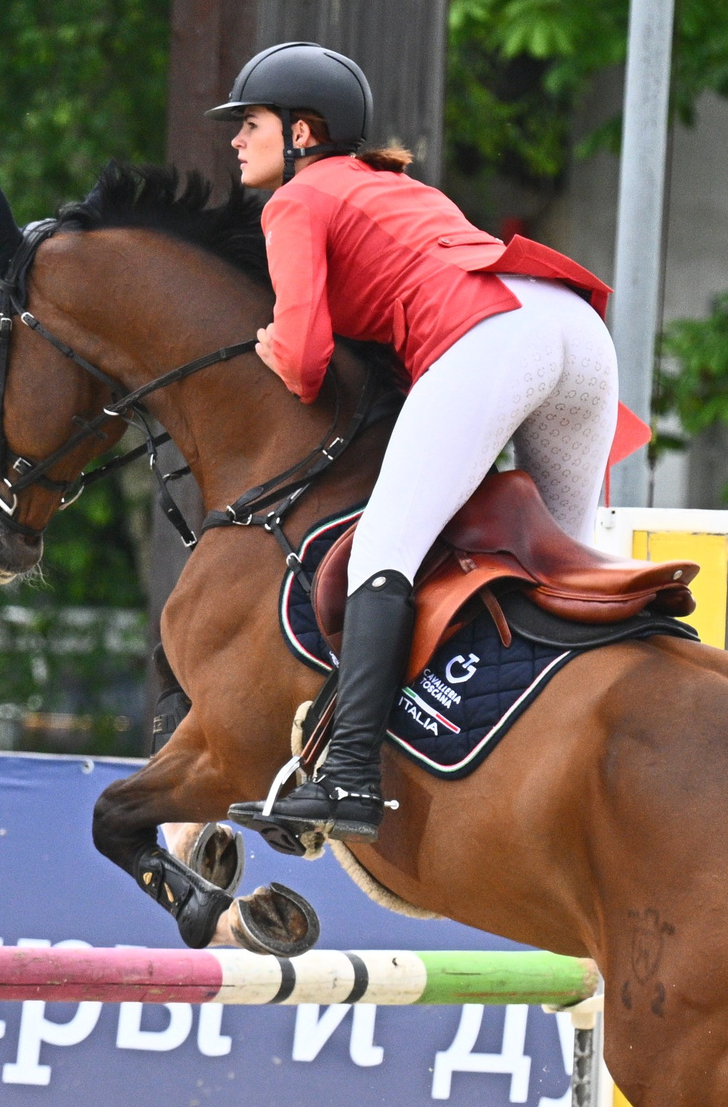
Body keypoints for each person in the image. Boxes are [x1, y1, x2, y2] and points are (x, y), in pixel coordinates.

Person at [209, 41, 638, 845]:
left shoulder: (295, 202)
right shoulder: (391, 185)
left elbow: (303, 358)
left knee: (384, 551)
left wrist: (277, 354)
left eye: (251, 123)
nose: (236, 139)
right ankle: (594, 742)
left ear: (303, 133)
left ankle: (349, 779)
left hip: (497, 339)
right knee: (574, 565)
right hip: (574, 324)